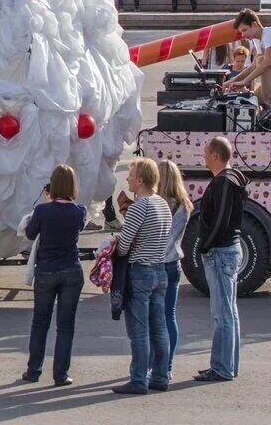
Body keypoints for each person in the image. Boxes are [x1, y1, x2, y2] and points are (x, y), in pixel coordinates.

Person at [189, 136, 248, 382]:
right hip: (228, 250)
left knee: (222, 313)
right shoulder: (233, 178)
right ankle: (228, 365)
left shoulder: (223, 182)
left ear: (215, 155)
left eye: (205, 153)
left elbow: (221, 219)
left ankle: (222, 367)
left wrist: (205, 245)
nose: (203, 157)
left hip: (221, 252)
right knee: (228, 312)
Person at [21, 165, 86, 387]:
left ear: (53, 186)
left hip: (47, 270)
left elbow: (30, 234)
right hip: (71, 269)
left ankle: (33, 370)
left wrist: (47, 203)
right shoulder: (80, 211)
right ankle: (61, 374)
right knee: (66, 325)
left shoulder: (42, 211)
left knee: (40, 322)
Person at [112, 158, 172, 394]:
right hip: (160, 269)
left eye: (131, 174)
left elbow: (125, 245)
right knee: (159, 327)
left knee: (138, 330)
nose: (127, 178)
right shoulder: (163, 204)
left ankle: (138, 379)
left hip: (140, 271)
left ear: (140, 180)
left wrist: (115, 243)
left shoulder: (140, 207)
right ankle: (160, 376)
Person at [158, 159, 192, 379]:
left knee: (155, 318)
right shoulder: (184, 205)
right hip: (174, 265)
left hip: (158, 264)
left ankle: (156, 364)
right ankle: (168, 366)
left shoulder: (158, 204)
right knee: (170, 316)